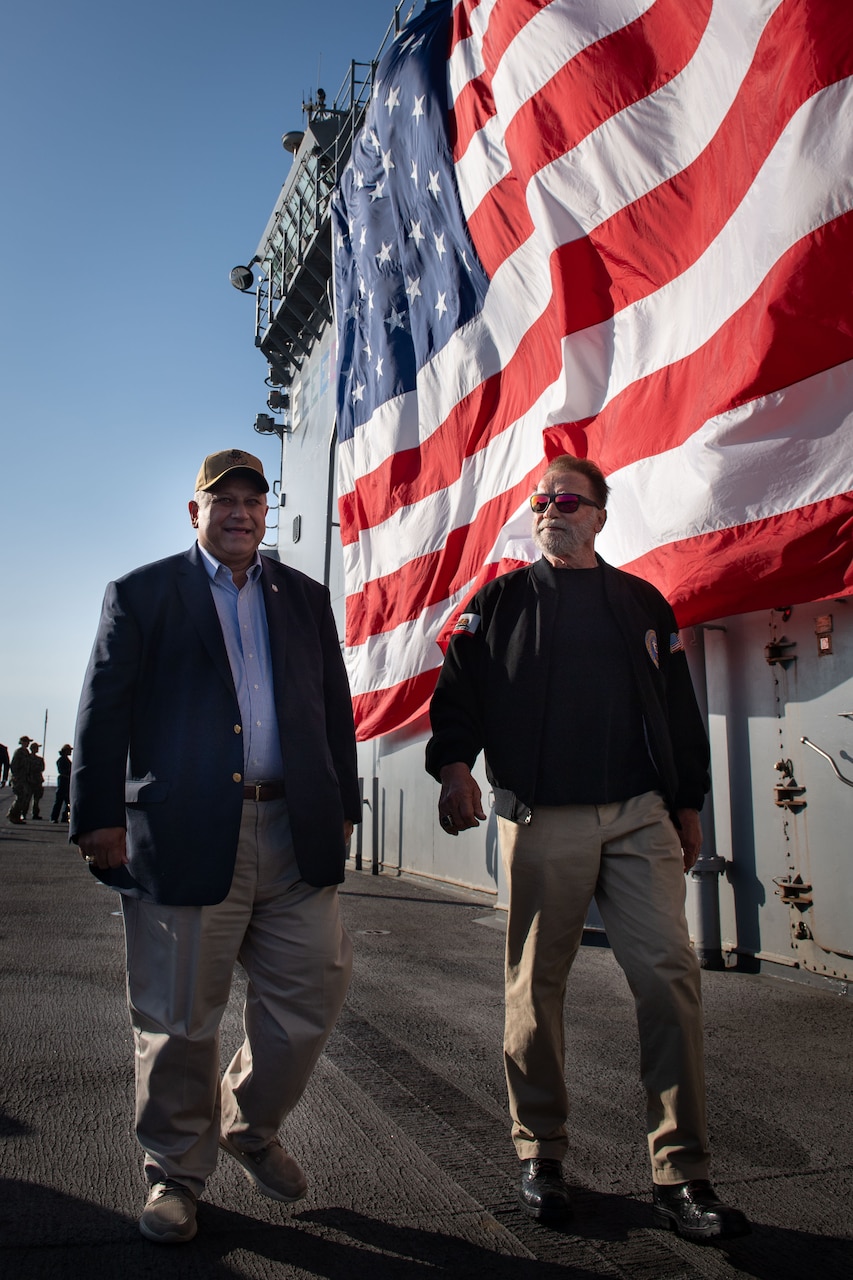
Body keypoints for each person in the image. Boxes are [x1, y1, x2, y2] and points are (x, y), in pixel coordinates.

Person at [425, 454, 750, 1244]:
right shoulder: (496, 603)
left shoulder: (641, 604)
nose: (550, 511)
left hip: (639, 815)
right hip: (543, 817)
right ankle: (540, 1155)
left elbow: (676, 709)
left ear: (599, 516)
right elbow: (456, 697)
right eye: (540, 502)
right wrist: (455, 769)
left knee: (670, 979)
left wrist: (686, 804)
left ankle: (682, 1173)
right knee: (535, 989)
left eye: (567, 500)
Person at [71, 448, 360, 1246]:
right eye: (222, 500)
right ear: (192, 512)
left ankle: (247, 1123)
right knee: (178, 1017)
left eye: (252, 501)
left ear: (267, 515)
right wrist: (98, 817)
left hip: (295, 828)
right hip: (186, 830)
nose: (239, 512)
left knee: (313, 993)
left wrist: (345, 803)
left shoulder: (303, 598)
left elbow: (332, 706)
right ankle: (175, 1173)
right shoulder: (141, 593)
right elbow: (103, 709)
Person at [7, 735, 32, 824]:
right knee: (20, 797)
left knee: (24, 798)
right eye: (26, 741)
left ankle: (16, 816)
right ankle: (12, 814)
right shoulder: (18, 752)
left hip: (24, 779)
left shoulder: (26, 752)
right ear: (22, 742)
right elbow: (13, 765)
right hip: (18, 778)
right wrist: (15, 776)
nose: (28, 743)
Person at [50, 744, 72, 823]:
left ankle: (64, 817)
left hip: (67, 781)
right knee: (59, 801)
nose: (70, 752)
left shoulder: (66, 760)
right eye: (69, 750)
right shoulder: (62, 760)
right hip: (63, 781)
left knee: (68, 802)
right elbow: (61, 771)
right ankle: (54, 817)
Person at [27, 742, 45, 819]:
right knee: (27, 799)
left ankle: (35, 814)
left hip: (38, 780)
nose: (37, 749)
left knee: (37, 799)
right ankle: (23, 813)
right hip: (29, 780)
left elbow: (42, 768)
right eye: (35, 748)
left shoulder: (40, 759)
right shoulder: (27, 758)